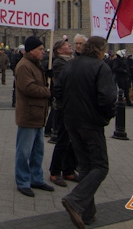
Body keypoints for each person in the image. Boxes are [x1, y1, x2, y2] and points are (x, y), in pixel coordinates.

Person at [59, 36, 117, 229]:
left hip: (71, 121)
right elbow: (108, 97)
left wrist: (65, 109)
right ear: (100, 50)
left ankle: (87, 212)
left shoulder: (71, 64)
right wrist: (106, 115)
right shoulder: (101, 67)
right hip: (90, 123)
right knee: (100, 166)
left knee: (85, 166)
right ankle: (75, 200)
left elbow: (58, 89)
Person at [13, 36, 54, 197]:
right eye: (40, 49)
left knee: (38, 150)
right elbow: (29, 88)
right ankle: (22, 180)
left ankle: (36, 178)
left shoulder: (36, 65)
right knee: (24, 151)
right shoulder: (24, 66)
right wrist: (47, 91)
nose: (43, 52)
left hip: (38, 114)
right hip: (29, 114)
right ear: (31, 51)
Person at [48, 39, 78, 187]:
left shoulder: (71, 61)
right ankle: (55, 171)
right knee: (63, 141)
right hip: (64, 107)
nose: (70, 45)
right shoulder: (60, 63)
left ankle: (68, 169)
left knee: (74, 140)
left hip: (74, 106)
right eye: (66, 45)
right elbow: (64, 84)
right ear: (59, 50)